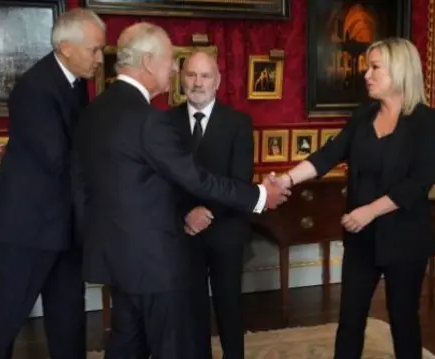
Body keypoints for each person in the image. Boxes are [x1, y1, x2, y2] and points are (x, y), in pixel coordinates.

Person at [71, 22, 289, 359]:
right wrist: (260, 195)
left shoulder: (95, 110)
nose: (175, 69)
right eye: (172, 60)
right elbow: (196, 179)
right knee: (174, 346)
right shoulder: (149, 120)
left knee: (127, 341)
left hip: (117, 256)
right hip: (154, 262)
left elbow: (84, 183)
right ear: (147, 61)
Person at [272, 37, 435, 359]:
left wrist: (369, 211)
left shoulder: (424, 121)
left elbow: (419, 183)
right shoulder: (363, 117)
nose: (367, 74)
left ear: (400, 70)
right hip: (361, 238)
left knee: (404, 321)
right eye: (368, 67)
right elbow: (328, 155)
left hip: (405, 239)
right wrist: (285, 179)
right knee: (350, 320)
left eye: (375, 67)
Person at [0, 9, 105, 359]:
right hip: (25, 230)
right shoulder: (34, 88)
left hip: (62, 227)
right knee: (1, 325)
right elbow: (60, 158)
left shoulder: (76, 84)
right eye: (93, 50)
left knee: (69, 323)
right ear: (65, 47)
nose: (99, 58)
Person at [168, 51, 253, 359]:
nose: (198, 82)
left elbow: (240, 181)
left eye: (205, 76)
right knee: (191, 310)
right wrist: (186, 214)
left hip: (226, 231)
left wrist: (209, 213)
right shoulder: (166, 122)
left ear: (217, 81)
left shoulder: (238, 123)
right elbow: (163, 181)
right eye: (191, 75)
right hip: (184, 232)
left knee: (229, 306)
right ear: (181, 79)